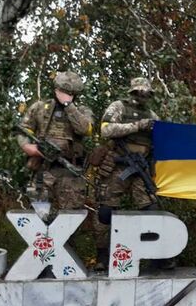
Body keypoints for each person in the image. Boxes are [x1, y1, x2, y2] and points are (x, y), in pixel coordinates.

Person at [94, 77, 161, 270]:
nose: (142, 96)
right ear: (132, 92)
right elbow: (106, 130)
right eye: (139, 92)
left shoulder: (152, 116)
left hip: (140, 168)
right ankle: (102, 257)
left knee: (151, 210)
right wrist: (137, 126)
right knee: (105, 213)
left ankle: (156, 256)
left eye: (146, 93)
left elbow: (161, 139)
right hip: (117, 165)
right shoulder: (119, 107)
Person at [16, 71, 93, 216]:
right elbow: (24, 130)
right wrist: (27, 147)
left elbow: (85, 129)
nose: (64, 94)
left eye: (69, 93)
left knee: (70, 218)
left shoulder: (82, 111)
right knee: (39, 216)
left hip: (70, 173)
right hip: (43, 170)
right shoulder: (40, 108)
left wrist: (68, 105)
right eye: (62, 91)